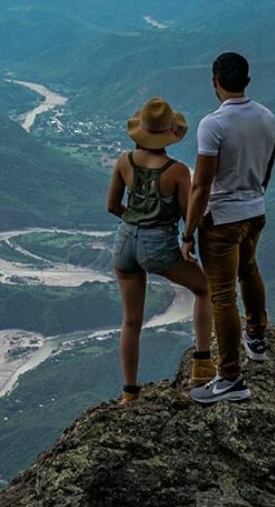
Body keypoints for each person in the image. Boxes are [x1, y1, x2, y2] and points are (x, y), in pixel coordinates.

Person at [182, 52, 275, 404]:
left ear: (214, 82)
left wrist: (188, 230)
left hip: (222, 218)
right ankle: (257, 337)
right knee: (249, 270)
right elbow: (268, 165)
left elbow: (201, 185)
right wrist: (256, 194)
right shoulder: (267, 117)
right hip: (256, 211)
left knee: (222, 295)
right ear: (247, 82)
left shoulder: (213, 125)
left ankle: (231, 378)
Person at [106, 98, 216, 404]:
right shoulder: (177, 171)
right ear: (170, 134)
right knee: (204, 288)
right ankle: (203, 361)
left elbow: (112, 206)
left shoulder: (124, 161)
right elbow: (187, 214)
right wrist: (187, 239)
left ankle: (129, 392)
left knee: (131, 321)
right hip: (157, 245)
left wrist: (136, 219)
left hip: (125, 242)